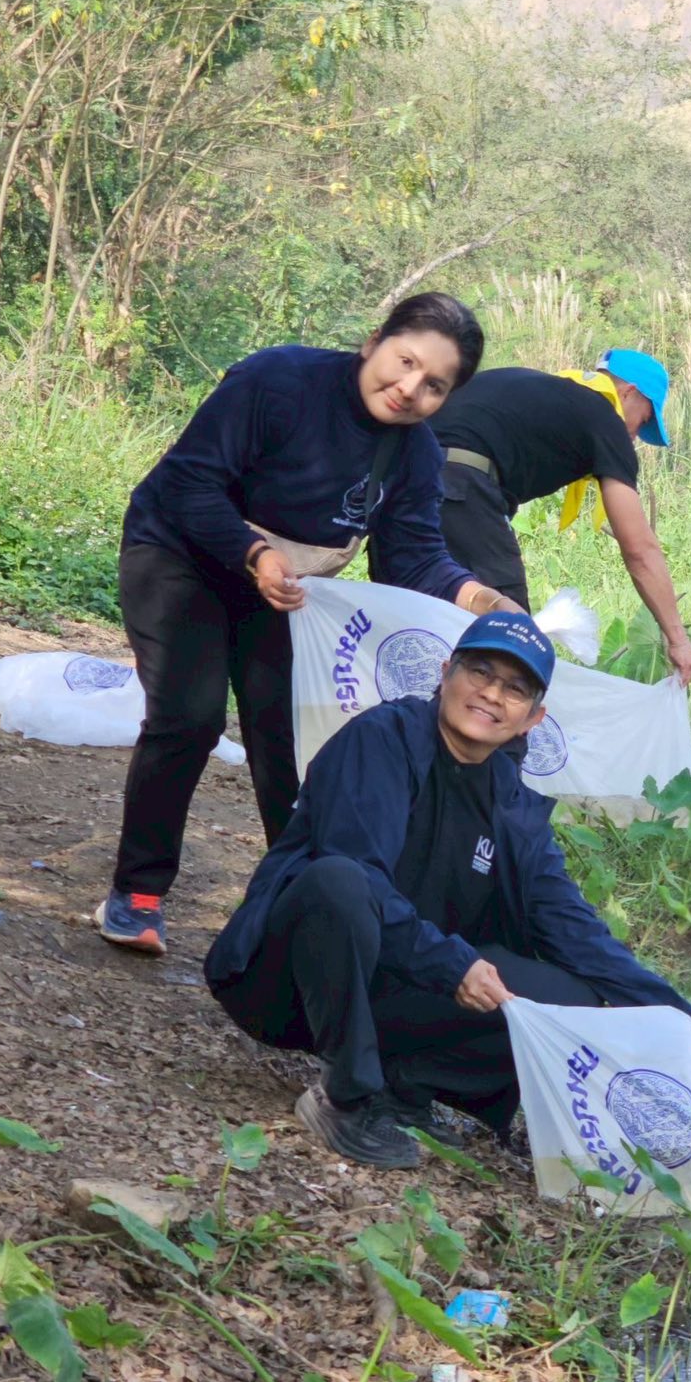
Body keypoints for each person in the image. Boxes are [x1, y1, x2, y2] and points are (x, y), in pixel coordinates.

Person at [204, 611, 691, 1168]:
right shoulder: (382, 739)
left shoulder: (511, 807)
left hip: (392, 993)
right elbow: (353, 869)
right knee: (340, 881)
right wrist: (452, 964)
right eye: (480, 671)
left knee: (574, 997)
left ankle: (403, 1084)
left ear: (533, 719)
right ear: (446, 673)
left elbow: (576, 931)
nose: (491, 694)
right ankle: (344, 1096)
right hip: (285, 985)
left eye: (515, 689)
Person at [99, 293, 519, 957]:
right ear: (374, 341)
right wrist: (255, 554)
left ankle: (297, 901)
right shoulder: (277, 381)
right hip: (180, 554)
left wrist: (476, 596)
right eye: (405, 361)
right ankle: (138, 892)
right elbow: (188, 483)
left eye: (435, 385)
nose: (410, 389)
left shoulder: (415, 454)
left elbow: (411, 555)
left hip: (286, 591)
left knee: (296, 740)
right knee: (191, 715)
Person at [427, 350, 691, 686]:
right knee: (509, 642)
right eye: (643, 421)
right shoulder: (604, 418)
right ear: (628, 392)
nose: (634, 436)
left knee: (416, 624)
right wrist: (678, 640)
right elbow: (639, 549)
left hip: (401, 490)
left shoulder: (532, 386)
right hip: (460, 489)